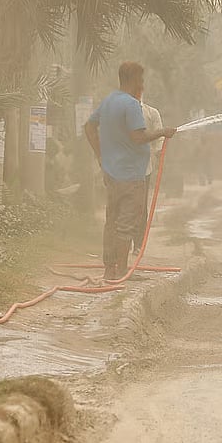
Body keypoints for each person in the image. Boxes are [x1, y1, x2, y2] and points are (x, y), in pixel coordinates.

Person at [83, 62, 176, 282]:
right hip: (131, 175)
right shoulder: (132, 104)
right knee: (126, 223)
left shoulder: (109, 101)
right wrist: (163, 132)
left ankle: (109, 270)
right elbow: (138, 137)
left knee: (111, 220)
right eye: (141, 80)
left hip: (111, 174)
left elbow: (88, 127)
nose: (142, 85)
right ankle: (122, 272)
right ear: (134, 80)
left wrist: (100, 155)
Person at [131, 100, 165, 254]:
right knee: (122, 207)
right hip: (121, 168)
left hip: (144, 168)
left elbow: (159, 137)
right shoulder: (118, 111)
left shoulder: (151, 113)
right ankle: (121, 247)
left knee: (140, 206)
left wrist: (158, 153)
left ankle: (138, 244)